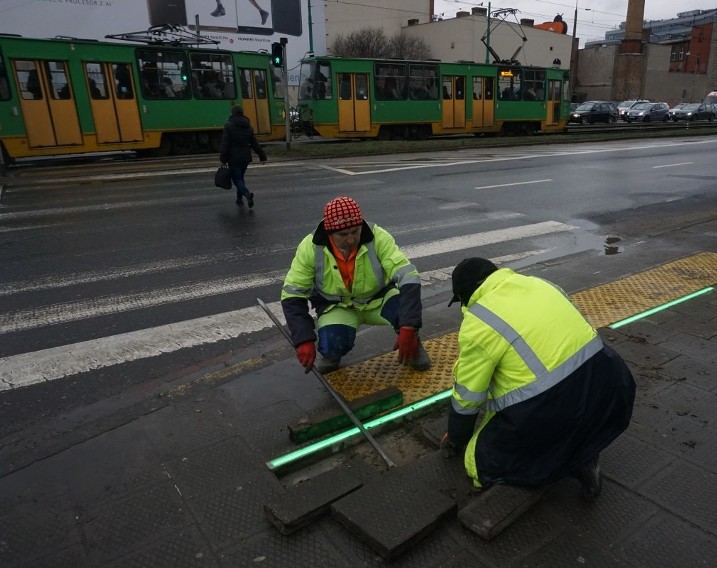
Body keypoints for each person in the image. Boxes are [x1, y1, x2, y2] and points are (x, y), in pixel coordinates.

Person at [443, 258, 636, 497]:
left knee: (477, 462)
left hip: (554, 407)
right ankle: (585, 452)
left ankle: (568, 461)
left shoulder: (478, 321)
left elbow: (467, 397)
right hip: (610, 386)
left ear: (465, 295)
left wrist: (455, 437)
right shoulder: (540, 284)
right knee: (568, 415)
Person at [281, 196, 431, 374]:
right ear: (329, 233)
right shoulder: (310, 247)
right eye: (343, 235)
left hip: (378, 299)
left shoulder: (378, 237)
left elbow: (408, 276)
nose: (351, 240)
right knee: (331, 343)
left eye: (355, 231)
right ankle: (332, 354)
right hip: (338, 307)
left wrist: (409, 327)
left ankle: (413, 344)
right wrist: (303, 339)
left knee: (404, 312)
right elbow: (292, 294)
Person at [219, 104, 267, 208]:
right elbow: (254, 143)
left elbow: (225, 143)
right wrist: (262, 156)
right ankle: (239, 199)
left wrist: (223, 158)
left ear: (232, 113)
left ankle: (247, 194)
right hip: (245, 158)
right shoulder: (248, 126)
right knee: (240, 177)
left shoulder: (229, 125)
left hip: (233, 158)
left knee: (237, 179)